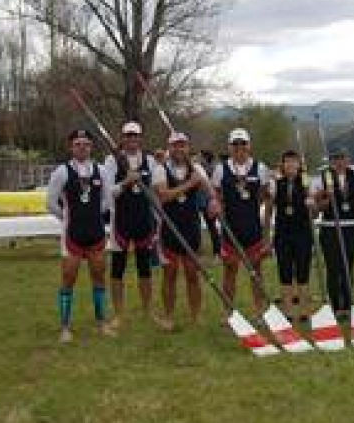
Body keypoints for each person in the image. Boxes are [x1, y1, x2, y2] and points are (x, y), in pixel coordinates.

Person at [46, 129, 115, 343]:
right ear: (71, 147)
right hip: (72, 236)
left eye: (86, 144)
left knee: (99, 279)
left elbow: (108, 200)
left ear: (91, 147)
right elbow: (50, 203)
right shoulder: (62, 172)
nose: (82, 147)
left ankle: (101, 323)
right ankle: (65, 327)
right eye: (77, 144)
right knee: (68, 280)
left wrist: (94, 213)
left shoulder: (102, 171)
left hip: (96, 234)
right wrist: (67, 217)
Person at [152, 132, 218, 330]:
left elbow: (210, 192)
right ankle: (168, 317)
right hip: (169, 230)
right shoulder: (160, 169)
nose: (178, 149)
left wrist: (213, 199)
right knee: (169, 275)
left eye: (182, 145)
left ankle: (196, 316)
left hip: (191, 228)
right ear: (169, 148)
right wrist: (190, 183)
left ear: (187, 148)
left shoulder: (196, 168)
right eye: (175, 146)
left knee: (193, 275)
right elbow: (163, 196)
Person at [213, 128, 273, 317]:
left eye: (243, 143)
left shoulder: (260, 167)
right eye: (235, 144)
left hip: (253, 229)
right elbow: (216, 195)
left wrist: (264, 225)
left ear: (249, 146)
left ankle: (259, 311)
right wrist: (216, 206)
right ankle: (228, 311)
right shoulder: (221, 168)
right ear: (230, 147)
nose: (239, 147)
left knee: (256, 272)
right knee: (230, 271)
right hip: (230, 229)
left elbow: (266, 196)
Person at [104, 121, 158, 330]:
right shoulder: (112, 160)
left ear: (140, 138)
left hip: (144, 220)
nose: (132, 139)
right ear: (123, 138)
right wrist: (126, 182)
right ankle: (118, 314)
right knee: (118, 268)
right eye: (128, 136)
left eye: (135, 135)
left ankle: (148, 311)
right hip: (121, 222)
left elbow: (154, 191)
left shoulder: (151, 161)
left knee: (145, 268)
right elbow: (108, 192)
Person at [311, 147, 354, 321]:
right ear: (331, 161)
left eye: (342, 158)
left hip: (350, 226)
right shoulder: (321, 177)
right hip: (330, 226)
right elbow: (316, 206)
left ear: (347, 159)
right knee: (333, 268)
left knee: (348, 267)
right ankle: (335, 306)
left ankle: (347, 305)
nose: (339, 161)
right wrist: (325, 195)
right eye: (335, 158)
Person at [272, 150, 314, 322]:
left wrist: (312, 203)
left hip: (302, 233)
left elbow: (314, 208)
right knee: (285, 271)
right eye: (287, 161)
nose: (290, 164)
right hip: (283, 233)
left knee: (303, 270)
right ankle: (287, 312)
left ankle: (304, 311)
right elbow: (269, 206)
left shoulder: (305, 182)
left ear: (298, 164)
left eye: (293, 161)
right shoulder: (277, 183)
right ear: (282, 164)